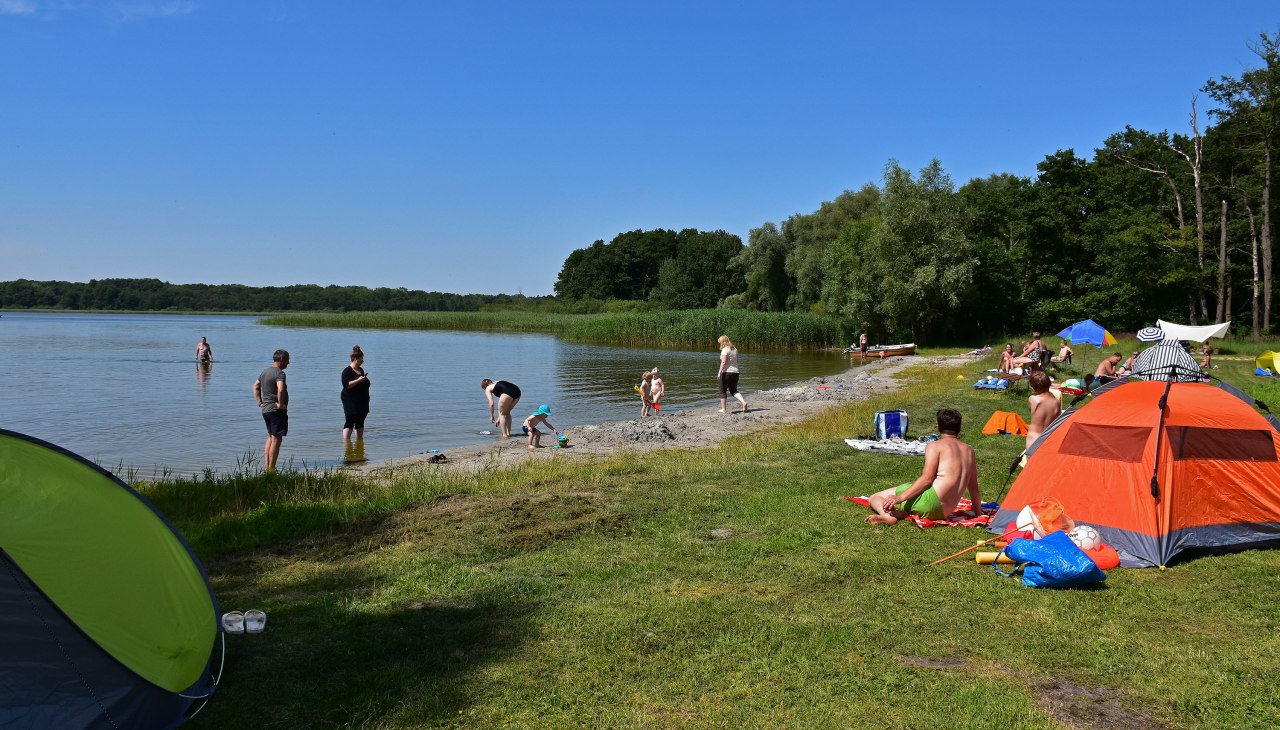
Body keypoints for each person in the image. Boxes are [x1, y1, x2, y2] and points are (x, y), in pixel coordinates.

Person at [865, 408, 981, 525]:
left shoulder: (935, 446)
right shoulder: (969, 450)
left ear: (938, 427)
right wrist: (978, 514)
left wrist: (899, 498)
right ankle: (900, 513)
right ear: (959, 428)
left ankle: (888, 516)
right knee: (912, 488)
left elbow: (927, 479)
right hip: (945, 511)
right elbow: (973, 488)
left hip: (929, 502)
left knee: (876, 497)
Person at [253, 349, 290, 472]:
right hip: (276, 410)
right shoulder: (279, 373)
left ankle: (267, 466)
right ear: (282, 359)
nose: (288, 363)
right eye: (287, 360)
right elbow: (280, 389)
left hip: (266, 410)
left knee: (270, 437)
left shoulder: (265, 371)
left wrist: (260, 403)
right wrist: (280, 405)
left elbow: (255, 386)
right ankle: (272, 468)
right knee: (277, 438)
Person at [340, 345, 371, 441]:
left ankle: (359, 442)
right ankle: (347, 444)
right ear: (356, 359)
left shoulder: (361, 370)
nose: (363, 360)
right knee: (350, 421)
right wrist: (358, 380)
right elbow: (347, 385)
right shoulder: (347, 371)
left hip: (362, 401)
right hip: (350, 401)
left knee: (360, 421)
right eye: (361, 358)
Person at [1026, 371, 1061, 451]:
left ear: (1033, 387)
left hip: (1033, 437)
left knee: (1032, 462)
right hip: (1048, 437)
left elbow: (1031, 411)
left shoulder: (1033, 399)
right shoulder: (1057, 402)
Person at [717, 335, 748, 414]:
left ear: (723, 342)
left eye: (720, 342)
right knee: (734, 390)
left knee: (722, 390)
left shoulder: (725, 349)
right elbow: (736, 361)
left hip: (726, 372)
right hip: (735, 372)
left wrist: (719, 372)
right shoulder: (734, 349)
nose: (720, 344)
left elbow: (723, 361)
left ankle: (723, 409)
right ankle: (743, 402)